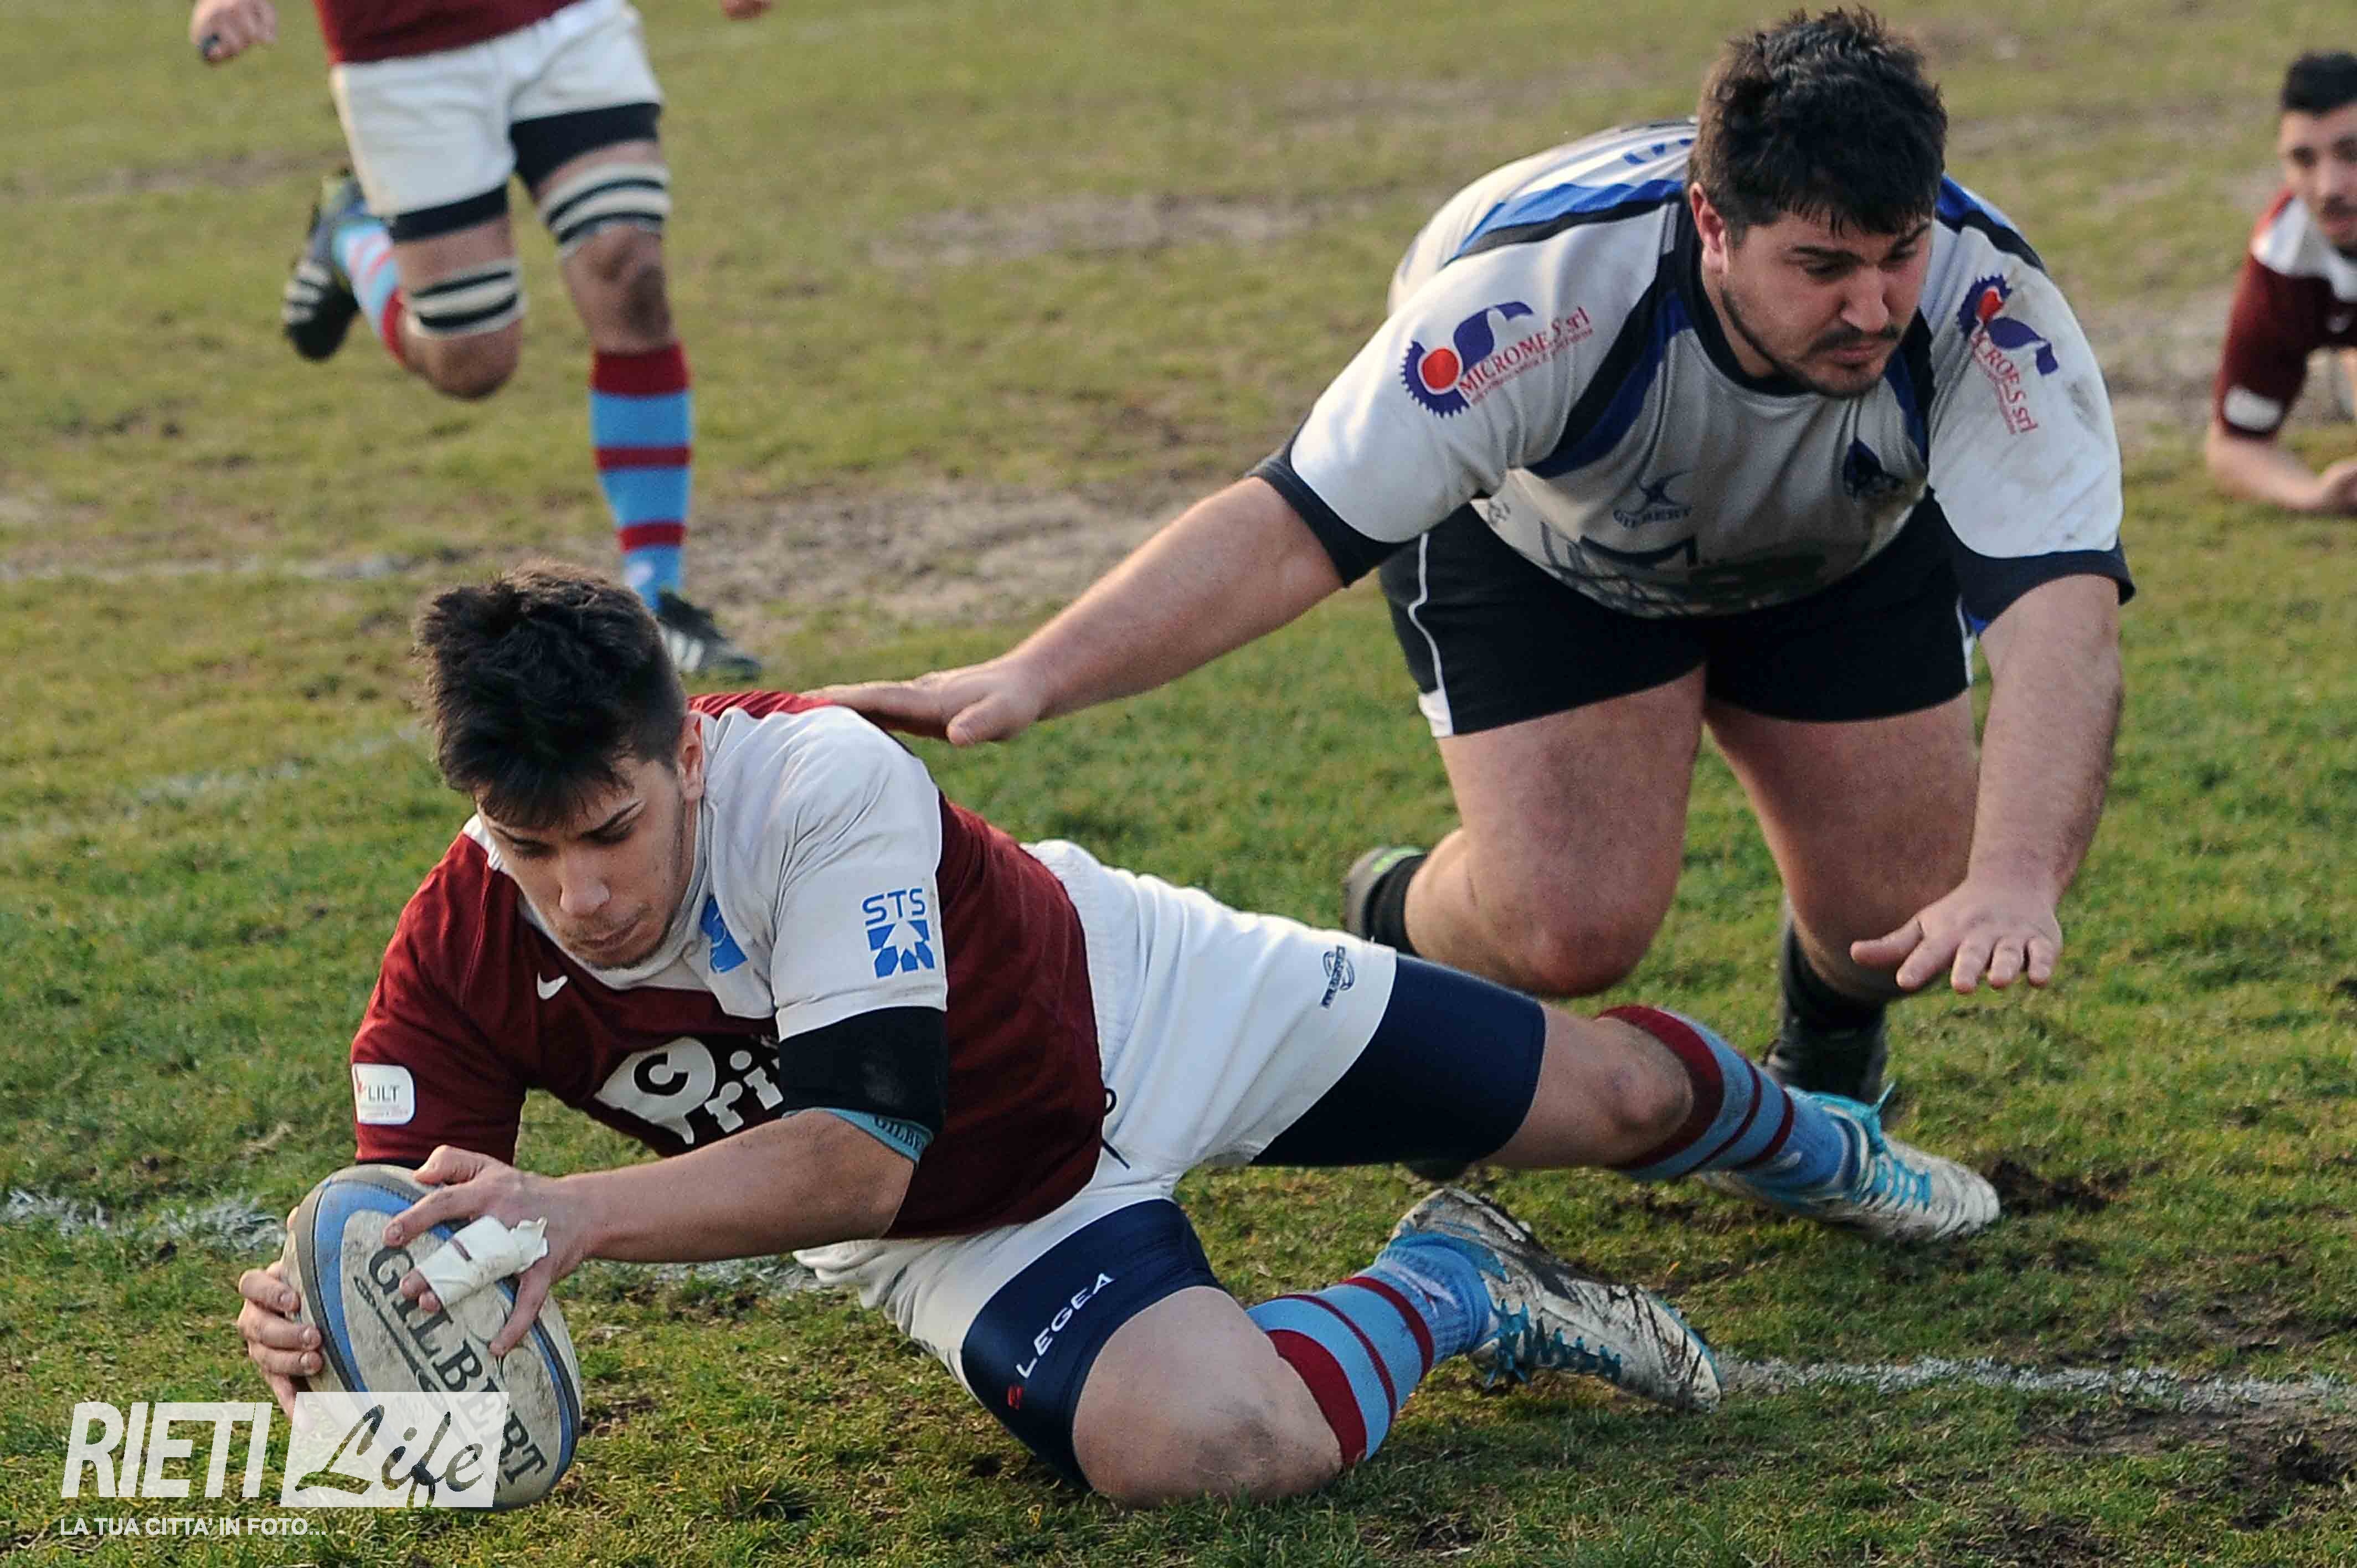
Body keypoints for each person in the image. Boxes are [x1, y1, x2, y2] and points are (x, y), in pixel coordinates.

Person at [234, 565, 1997, 1504]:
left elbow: (857, 1140)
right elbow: (405, 1233)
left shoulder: (818, 777)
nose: (581, 893)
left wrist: (580, 1213)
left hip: (1143, 997)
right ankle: (1457, 1279)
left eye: (611, 832)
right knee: (1217, 1449)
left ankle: (1822, 1143)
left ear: (684, 751)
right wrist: (333, 1331)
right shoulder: (456, 951)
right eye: (527, 848)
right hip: (962, 1221)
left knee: (1615, 1091)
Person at [820, 11, 2131, 1113]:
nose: (1872, 305)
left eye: (1898, 254)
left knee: (1905, 910)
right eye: (1822, 265)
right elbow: (1288, 529)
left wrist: (2017, 875)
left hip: (1837, 558)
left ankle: (1829, 1055)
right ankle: (1395, 921)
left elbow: (2062, 622)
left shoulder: (1987, 307)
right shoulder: (1539, 296)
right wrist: (1037, 672)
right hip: (1549, 552)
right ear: (1712, 223)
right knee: (1568, 927)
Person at [188, 0, 766, 677]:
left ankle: (655, 600)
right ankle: (352, 238)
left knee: (630, 272)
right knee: (472, 360)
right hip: (403, 51)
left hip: (569, 25)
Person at [2207, 50, 2357, 517]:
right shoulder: (2286, 257)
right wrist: (2313, 495)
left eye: (2353, 154)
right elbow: (2234, 445)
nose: (2328, 188)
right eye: (2303, 159)